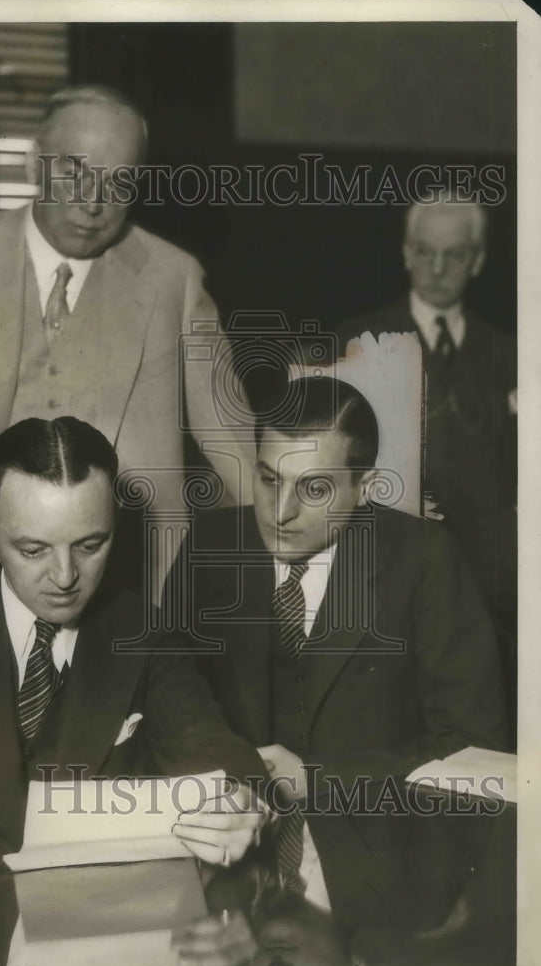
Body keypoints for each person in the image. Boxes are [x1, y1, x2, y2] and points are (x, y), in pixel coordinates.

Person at [0, 84, 253, 631]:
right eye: (74, 171)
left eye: (119, 181)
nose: (93, 203)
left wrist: (283, 567)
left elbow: (232, 443)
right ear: (32, 165)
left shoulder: (172, 278)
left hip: (118, 584)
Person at [0, 417, 267, 911]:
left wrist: (238, 802)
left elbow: (216, 753)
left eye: (89, 545)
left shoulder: (147, 634)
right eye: (33, 549)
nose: (64, 577)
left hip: (88, 923)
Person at [164, 376, 508, 931]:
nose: (280, 511)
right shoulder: (209, 545)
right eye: (269, 478)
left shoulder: (426, 561)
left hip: (380, 877)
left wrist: (319, 780)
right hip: (224, 868)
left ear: (365, 485)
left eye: (315, 489)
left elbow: (475, 752)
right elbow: (167, 706)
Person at [335, 195, 516, 715]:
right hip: (390, 567)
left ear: (477, 260)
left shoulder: (513, 352)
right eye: (426, 252)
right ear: (406, 254)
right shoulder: (359, 339)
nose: (438, 268)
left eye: (454, 255)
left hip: (492, 587)